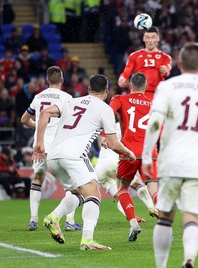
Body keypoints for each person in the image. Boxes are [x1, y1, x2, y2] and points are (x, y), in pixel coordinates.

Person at [142, 43, 198, 268]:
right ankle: (189, 258)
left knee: (165, 217)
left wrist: (146, 155)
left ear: (179, 64)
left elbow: (154, 122)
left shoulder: (168, 86)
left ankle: (161, 266)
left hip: (172, 161)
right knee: (192, 219)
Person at [32, 74, 136, 250]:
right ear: (107, 91)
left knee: (80, 193)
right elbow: (112, 143)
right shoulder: (105, 109)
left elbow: (44, 113)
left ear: (88, 90)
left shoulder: (71, 101)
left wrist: (39, 143)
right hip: (74, 156)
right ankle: (87, 240)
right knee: (94, 194)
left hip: (54, 156)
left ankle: (54, 217)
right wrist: (128, 153)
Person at [21, 66, 81, 231]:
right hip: (59, 145)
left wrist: (37, 127)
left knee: (38, 178)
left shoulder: (38, 97)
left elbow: (24, 119)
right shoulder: (67, 98)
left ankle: (33, 219)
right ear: (62, 80)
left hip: (40, 145)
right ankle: (69, 221)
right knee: (73, 183)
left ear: (47, 80)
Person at [108, 72, 159, 241]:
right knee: (154, 190)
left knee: (122, 188)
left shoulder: (120, 99)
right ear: (145, 87)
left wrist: (104, 134)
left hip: (128, 152)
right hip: (149, 153)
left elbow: (108, 113)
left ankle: (133, 223)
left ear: (130, 85)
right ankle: (166, 228)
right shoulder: (154, 104)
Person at [118, 26, 172, 100]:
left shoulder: (165, 57)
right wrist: (122, 78)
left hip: (157, 95)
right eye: (147, 37)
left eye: (153, 37)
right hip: (139, 95)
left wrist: (165, 71)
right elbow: (126, 73)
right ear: (144, 39)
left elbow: (167, 70)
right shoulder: (134, 56)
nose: (150, 40)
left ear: (158, 38)